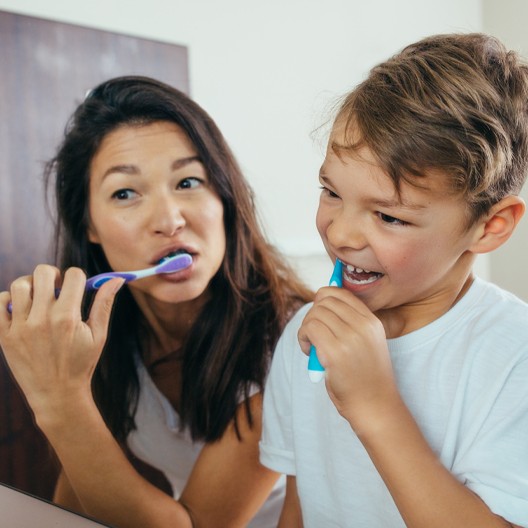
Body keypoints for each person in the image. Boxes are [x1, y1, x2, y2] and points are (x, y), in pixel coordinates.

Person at [0, 75, 313, 528]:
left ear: (224, 198)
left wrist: (59, 400)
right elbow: (78, 486)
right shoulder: (102, 334)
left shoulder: (290, 345)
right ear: (89, 225)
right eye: (125, 193)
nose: (168, 220)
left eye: (188, 181)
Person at [260, 33, 528, 527]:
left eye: (389, 217)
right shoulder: (306, 333)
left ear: (491, 226)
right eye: (331, 192)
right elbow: (300, 508)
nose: (339, 234)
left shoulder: (514, 356)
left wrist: (375, 408)